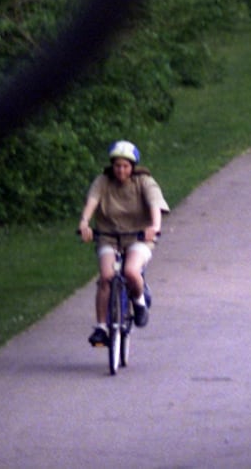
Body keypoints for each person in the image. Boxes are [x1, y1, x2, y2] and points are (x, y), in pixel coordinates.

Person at [78, 140, 169, 347]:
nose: (121, 170)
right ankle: (101, 327)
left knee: (130, 271)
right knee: (106, 277)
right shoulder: (102, 182)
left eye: (126, 166)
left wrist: (154, 226)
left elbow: (154, 204)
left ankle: (138, 301)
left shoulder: (145, 182)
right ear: (112, 166)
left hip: (138, 237)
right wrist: (84, 223)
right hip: (109, 236)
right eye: (117, 165)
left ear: (133, 167)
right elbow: (91, 202)